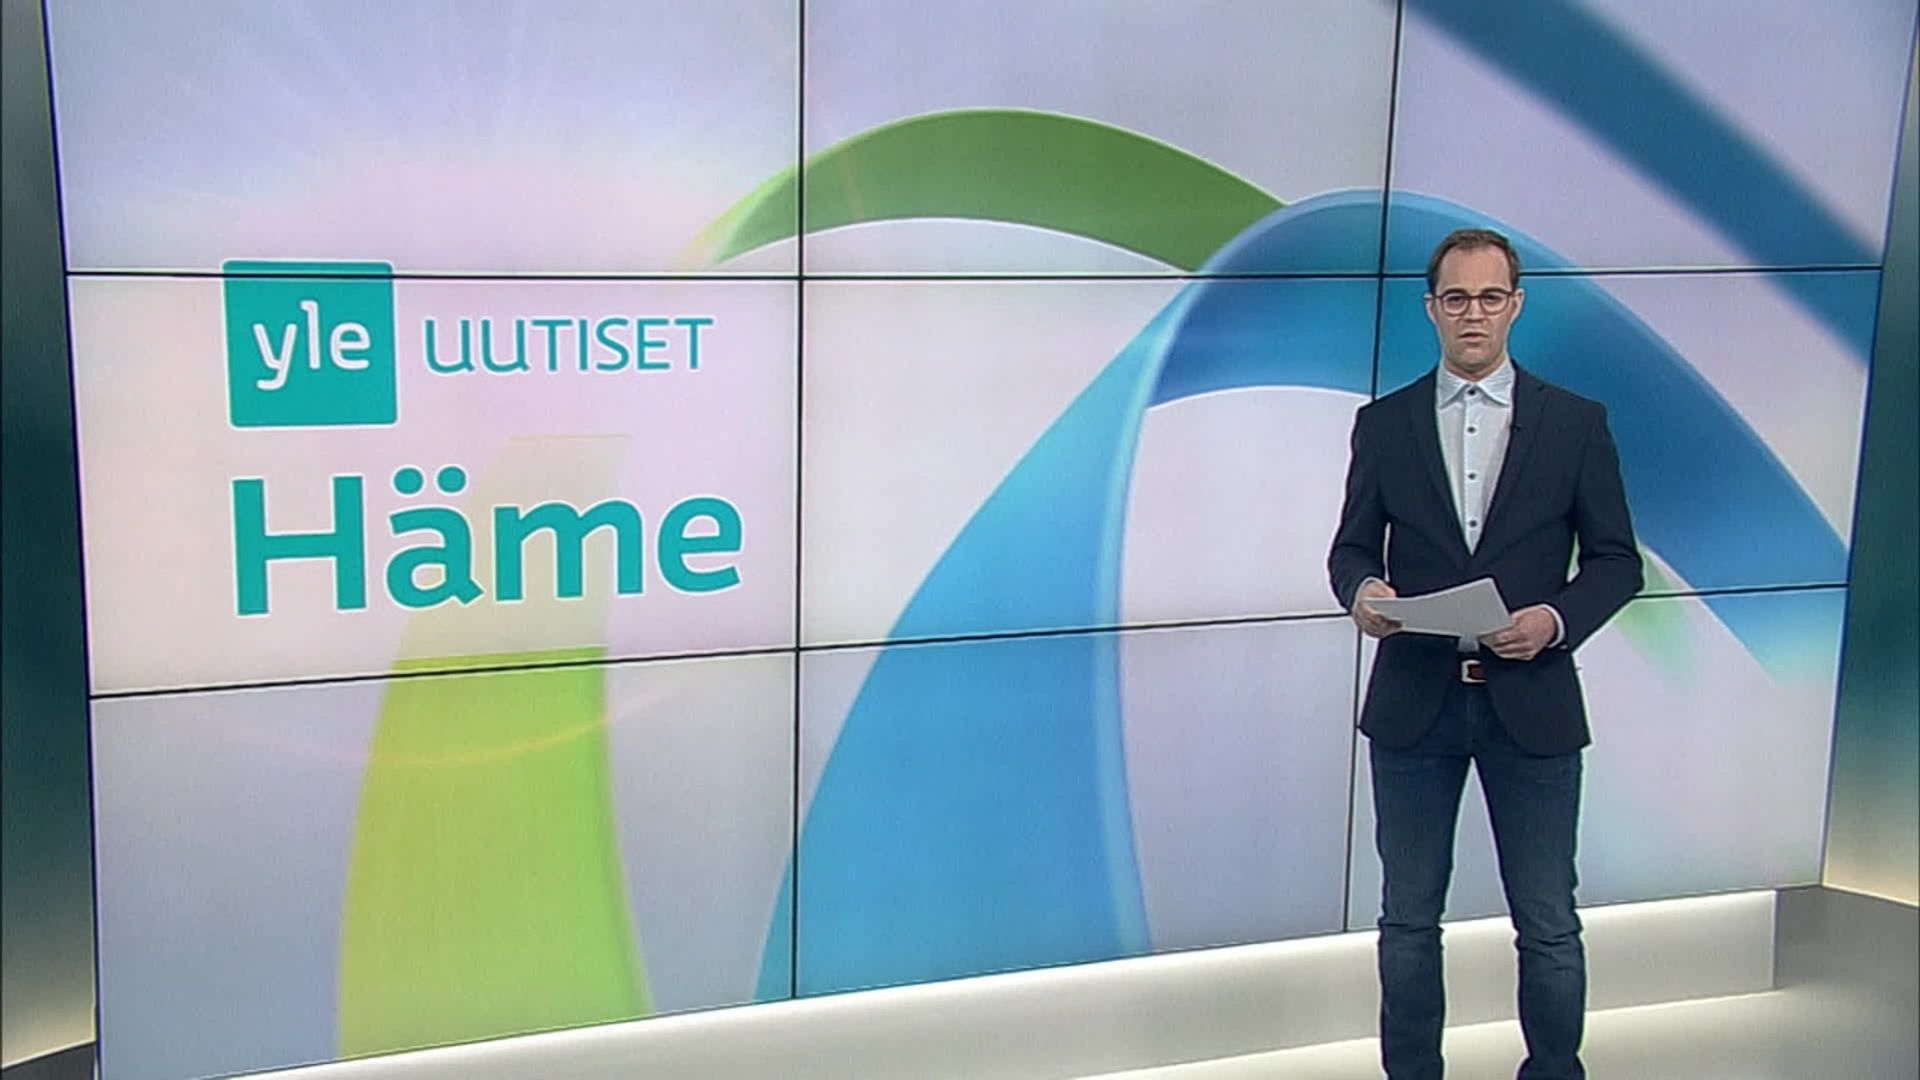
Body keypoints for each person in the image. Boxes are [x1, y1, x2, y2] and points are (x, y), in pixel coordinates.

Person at [1327, 228, 1642, 1080]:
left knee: (1547, 922)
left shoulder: (1576, 424)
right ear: (1432, 309)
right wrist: (1363, 591)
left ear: (1516, 305)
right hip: (1414, 706)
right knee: (1407, 920)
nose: (1474, 314)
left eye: (1491, 297)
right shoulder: (1384, 424)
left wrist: (1555, 620)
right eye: (1457, 298)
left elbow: (1617, 562)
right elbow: (1350, 548)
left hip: (1532, 703)